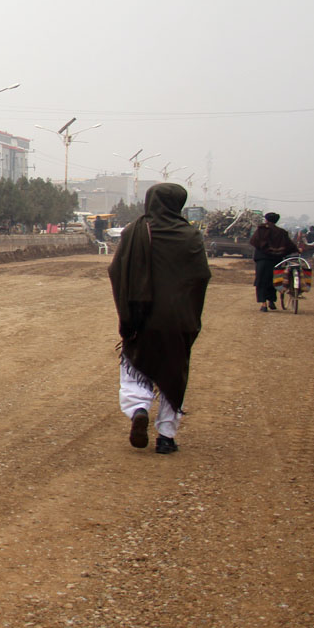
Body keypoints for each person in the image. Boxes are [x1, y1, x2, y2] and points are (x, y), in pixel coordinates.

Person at [108, 183, 210, 454]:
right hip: (178, 318)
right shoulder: (191, 235)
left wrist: (128, 313)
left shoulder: (135, 232)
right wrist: (188, 311)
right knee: (172, 372)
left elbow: (117, 270)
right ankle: (166, 436)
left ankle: (139, 408)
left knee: (135, 366)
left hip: (142, 316)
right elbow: (201, 277)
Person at [249, 212, 297, 312]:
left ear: (266, 220)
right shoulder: (282, 232)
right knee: (274, 280)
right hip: (276, 260)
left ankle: (263, 304)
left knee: (261, 281)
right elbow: (290, 246)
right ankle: (271, 300)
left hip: (262, 260)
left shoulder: (261, 230)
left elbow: (253, 241)